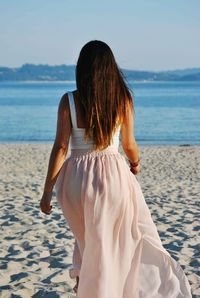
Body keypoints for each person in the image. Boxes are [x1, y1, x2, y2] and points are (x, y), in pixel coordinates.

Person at [40, 40, 192, 297]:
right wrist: (135, 163)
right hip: (112, 178)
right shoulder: (122, 100)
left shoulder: (69, 101)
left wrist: (47, 192)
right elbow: (129, 144)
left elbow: (60, 148)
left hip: (76, 181)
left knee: (89, 244)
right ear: (111, 68)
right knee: (116, 244)